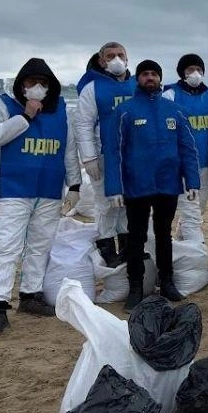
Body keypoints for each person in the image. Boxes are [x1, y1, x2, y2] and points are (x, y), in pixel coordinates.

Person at [0, 59, 82, 339]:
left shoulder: (61, 112)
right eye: (31, 82)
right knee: (7, 249)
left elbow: (69, 151)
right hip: (12, 189)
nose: (37, 87)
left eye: (44, 83)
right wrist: (25, 117)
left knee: (40, 245)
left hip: (48, 190)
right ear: (21, 83)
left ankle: (30, 295)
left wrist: (75, 184)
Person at [103, 60, 200, 310]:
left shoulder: (175, 110)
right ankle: (136, 287)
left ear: (160, 78)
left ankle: (166, 282)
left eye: (154, 74)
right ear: (138, 79)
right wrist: (114, 187)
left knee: (164, 235)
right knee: (135, 237)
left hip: (168, 184)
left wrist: (193, 181)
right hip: (137, 186)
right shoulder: (125, 111)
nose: (150, 78)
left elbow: (188, 148)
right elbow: (113, 152)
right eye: (145, 74)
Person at [162, 53, 208, 284]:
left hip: (205, 167)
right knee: (191, 215)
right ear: (181, 73)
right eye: (189, 70)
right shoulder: (170, 95)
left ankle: (183, 254)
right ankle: (201, 265)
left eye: (198, 68)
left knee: (196, 213)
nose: (194, 73)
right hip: (182, 166)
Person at [74, 42, 136, 267]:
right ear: (102, 61)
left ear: (128, 58)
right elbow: (83, 124)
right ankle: (107, 246)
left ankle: (127, 246)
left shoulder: (136, 85)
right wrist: (88, 157)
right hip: (103, 156)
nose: (116, 59)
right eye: (110, 56)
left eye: (121, 55)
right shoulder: (93, 88)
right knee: (106, 203)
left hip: (134, 157)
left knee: (129, 203)